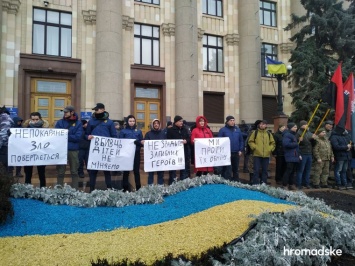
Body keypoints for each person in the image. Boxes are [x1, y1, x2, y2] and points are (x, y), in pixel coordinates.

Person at [86, 103, 117, 192]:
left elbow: (114, 135)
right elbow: (86, 134)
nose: (95, 111)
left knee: (107, 171)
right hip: (94, 151)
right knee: (93, 171)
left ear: (103, 110)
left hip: (105, 152)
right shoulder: (91, 121)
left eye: (97, 109)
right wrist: (87, 137)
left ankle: (109, 189)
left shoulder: (110, 122)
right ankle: (91, 190)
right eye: (95, 110)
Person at [55, 106, 82, 190]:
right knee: (60, 172)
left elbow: (78, 137)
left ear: (72, 112)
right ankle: (59, 189)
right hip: (61, 149)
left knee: (74, 171)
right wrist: (69, 135)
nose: (65, 113)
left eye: (66, 112)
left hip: (73, 150)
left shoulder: (78, 123)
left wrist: (65, 135)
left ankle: (75, 190)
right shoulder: (60, 122)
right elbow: (57, 135)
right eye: (64, 112)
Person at [23, 112, 49, 187]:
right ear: (30, 119)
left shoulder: (45, 129)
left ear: (40, 119)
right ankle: (27, 189)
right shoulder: (25, 128)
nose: (35, 121)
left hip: (41, 153)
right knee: (28, 173)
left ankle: (43, 189)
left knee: (41, 173)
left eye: (36, 119)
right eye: (33, 119)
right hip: (28, 153)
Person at [119, 115, 143, 192]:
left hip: (136, 154)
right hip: (126, 155)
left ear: (135, 122)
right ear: (127, 122)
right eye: (130, 121)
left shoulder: (139, 131)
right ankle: (125, 189)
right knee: (126, 172)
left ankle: (138, 188)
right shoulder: (123, 131)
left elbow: (142, 142)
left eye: (133, 121)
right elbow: (120, 142)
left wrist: (138, 142)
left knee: (136, 171)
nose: (132, 122)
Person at [248, 119, 275, 185]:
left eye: (263, 124)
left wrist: (270, 149)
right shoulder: (255, 133)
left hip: (266, 155)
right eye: (260, 124)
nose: (261, 125)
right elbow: (250, 141)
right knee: (256, 170)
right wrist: (255, 147)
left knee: (265, 170)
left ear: (266, 125)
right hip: (257, 154)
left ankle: (263, 183)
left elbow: (273, 143)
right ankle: (255, 183)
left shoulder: (269, 133)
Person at [217, 115, 244, 181]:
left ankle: (236, 181)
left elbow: (241, 140)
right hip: (227, 153)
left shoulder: (237, 129)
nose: (232, 122)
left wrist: (240, 149)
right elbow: (219, 141)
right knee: (227, 169)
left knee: (236, 169)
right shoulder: (223, 130)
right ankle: (227, 182)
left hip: (236, 152)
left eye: (233, 120)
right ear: (227, 122)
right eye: (230, 120)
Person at [167, 115, 191, 184]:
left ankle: (183, 184)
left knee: (184, 170)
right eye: (180, 121)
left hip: (184, 153)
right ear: (176, 122)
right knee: (173, 171)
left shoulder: (185, 129)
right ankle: (172, 184)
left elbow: (189, 138)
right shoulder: (170, 130)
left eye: (182, 121)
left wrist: (186, 141)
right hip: (174, 154)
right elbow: (168, 141)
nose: (181, 122)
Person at [142, 119, 166, 185]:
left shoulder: (163, 133)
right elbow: (145, 143)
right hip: (151, 158)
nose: (156, 124)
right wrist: (143, 142)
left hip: (161, 157)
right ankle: (150, 188)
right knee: (150, 174)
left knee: (161, 174)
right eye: (154, 123)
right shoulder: (148, 134)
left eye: (157, 123)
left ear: (159, 125)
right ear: (152, 125)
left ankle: (160, 187)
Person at [296, 120, 316, 189]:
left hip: (309, 153)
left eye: (307, 124)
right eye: (305, 125)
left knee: (308, 170)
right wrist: (299, 141)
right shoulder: (298, 133)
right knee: (301, 169)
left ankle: (306, 183)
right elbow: (296, 144)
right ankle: (299, 184)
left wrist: (313, 139)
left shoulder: (310, 133)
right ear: (302, 125)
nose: (307, 126)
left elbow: (313, 144)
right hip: (302, 153)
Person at [282, 122, 301, 190]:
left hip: (295, 156)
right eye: (295, 127)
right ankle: (284, 184)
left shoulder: (293, 135)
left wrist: (298, 155)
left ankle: (291, 184)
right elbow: (286, 144)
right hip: (290, 156)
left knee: (293, 171)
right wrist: (296, 143)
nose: (296, 128)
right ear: (290, 128)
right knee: (288, 170)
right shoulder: (287, 135)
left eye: (296, 127)